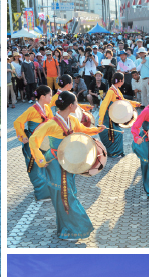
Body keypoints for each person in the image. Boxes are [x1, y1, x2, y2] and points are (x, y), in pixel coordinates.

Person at [28, 91, 104, 242]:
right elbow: (33, 140)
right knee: (65, 196)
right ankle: (72, 229)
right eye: (76, 102)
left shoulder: (72, 120)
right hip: (56, 163)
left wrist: (96, 130)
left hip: (69, 161)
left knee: (68, 194)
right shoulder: (50, 123)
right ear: (71, 106)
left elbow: (83, 130)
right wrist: (40, 159)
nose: (77, 105)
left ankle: (66, 229)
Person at [13, 86, 56, 202]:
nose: (51, 97)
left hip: (45, 144)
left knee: (47, 166)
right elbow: (17, 122)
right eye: (50, 95)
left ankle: (47, 191)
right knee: (36, 169)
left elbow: (52, 122)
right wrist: (23, 137)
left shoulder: (47, 108)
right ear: (43, 97)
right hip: (34, 144)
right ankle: (41, 194)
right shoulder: (32, 110)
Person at [99, 74, 133, 157]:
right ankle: (113, 152)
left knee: (118, 133)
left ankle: (117, 151)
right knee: (117, 133)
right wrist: (100, 120)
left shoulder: (116, 90)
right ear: (120, 81)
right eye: (123, 80)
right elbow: (104, 105)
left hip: (113, 116)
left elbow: (124, 101)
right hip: (108, 118)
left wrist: (135, 104)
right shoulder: (111, 91)